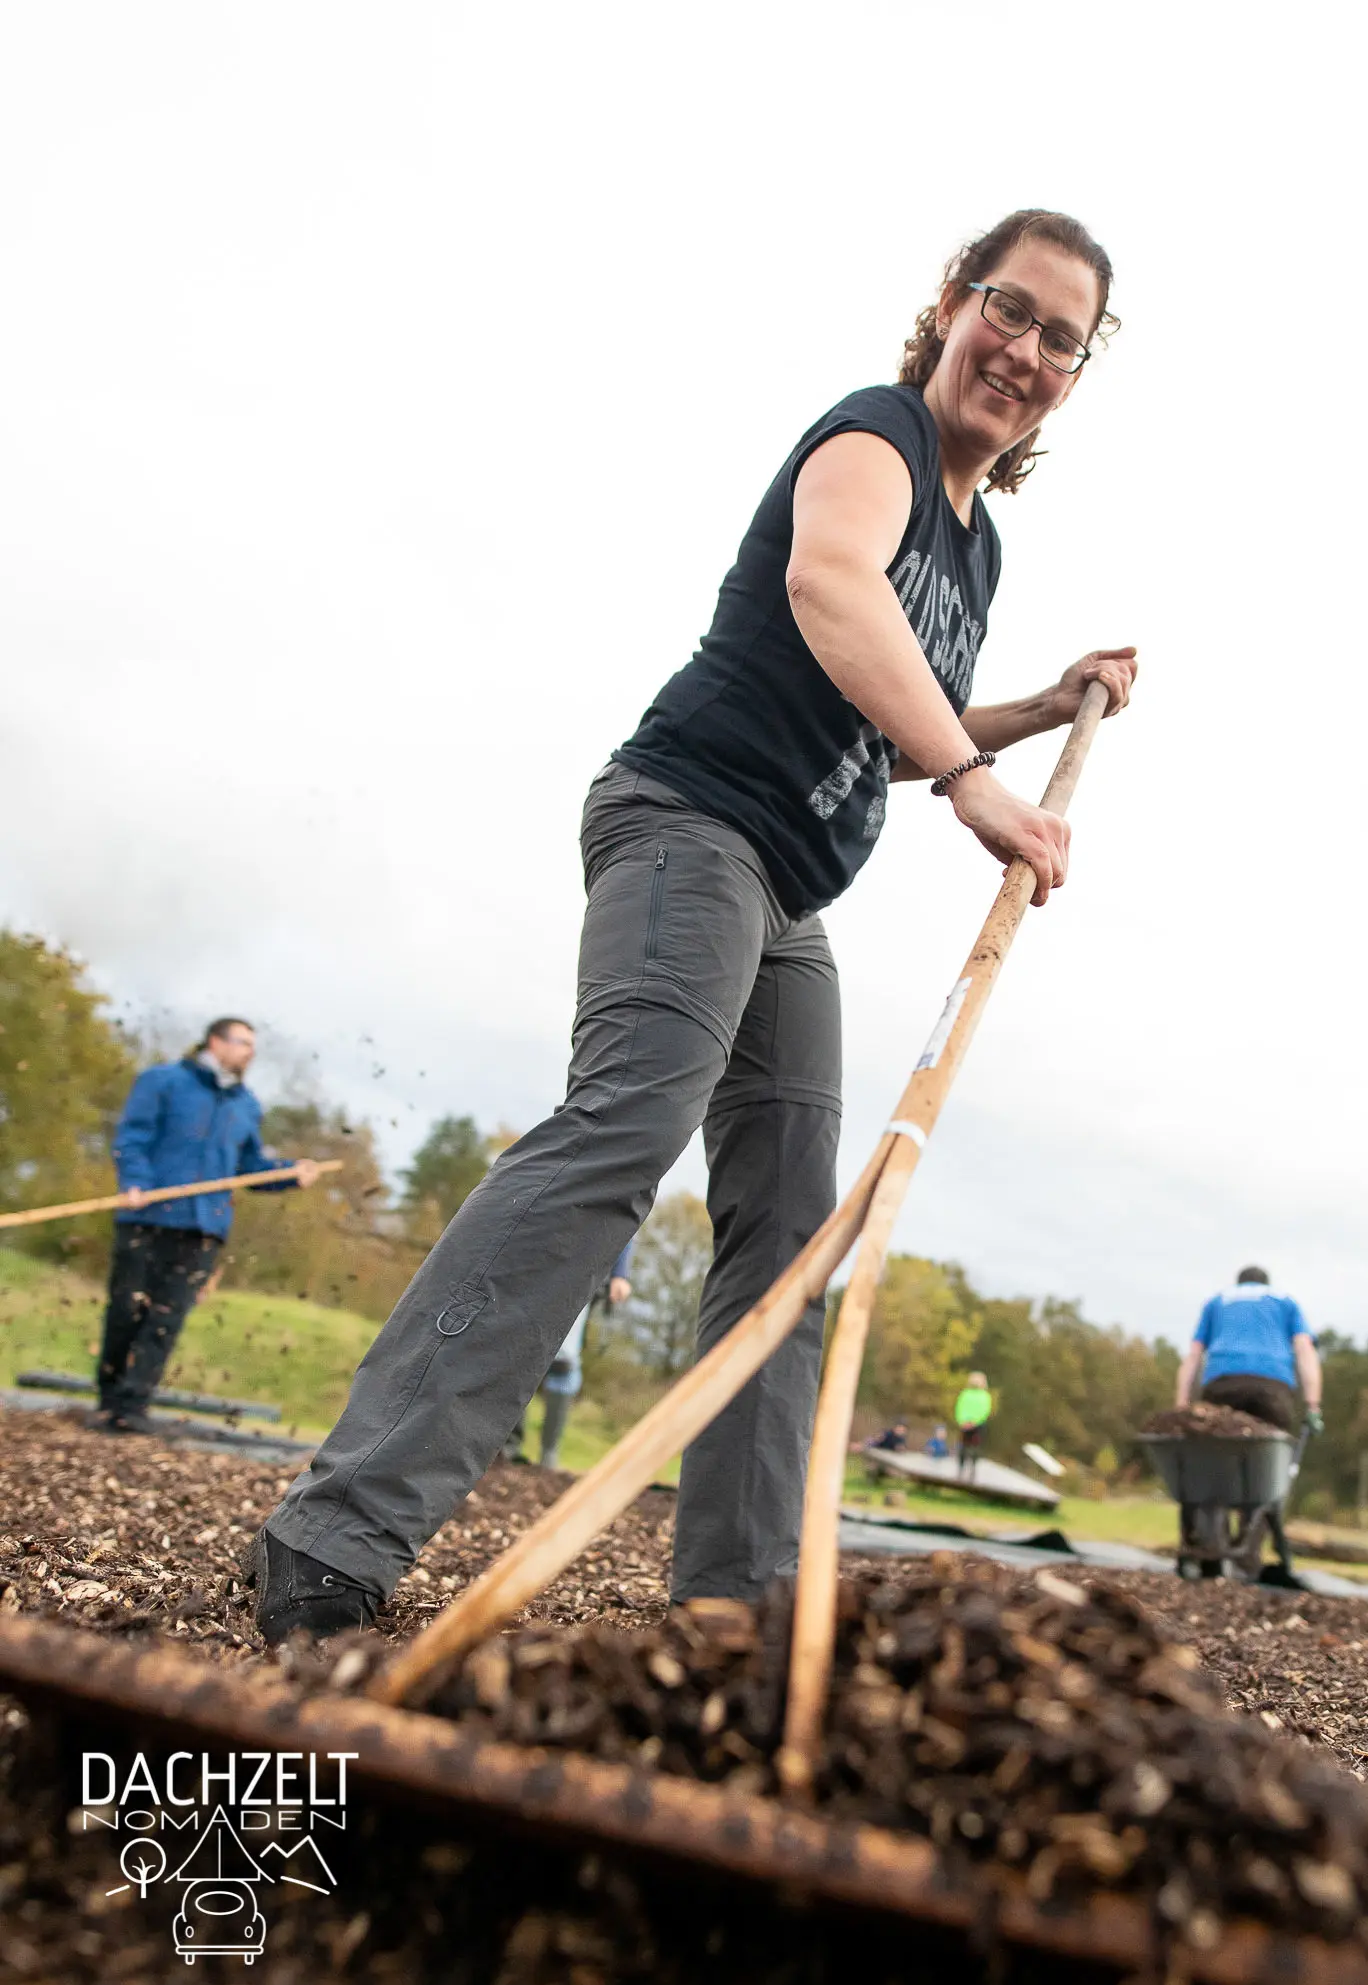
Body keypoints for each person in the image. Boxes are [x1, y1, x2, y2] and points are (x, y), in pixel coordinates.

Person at [253, 206, 1136, 1645]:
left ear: (1075, 376)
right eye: (1008, 307)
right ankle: (336, 1528)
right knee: (622, 1128)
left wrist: (1033, 711)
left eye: (1060, 336)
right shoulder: (871, 441)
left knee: (792, 1220)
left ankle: (736, 1594)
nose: (1024, 348)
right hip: (688, 819)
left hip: (787, 889)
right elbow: (829, 590)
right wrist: (985, 788)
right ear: (952, 303)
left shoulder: (976, 557)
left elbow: (894, 723)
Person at [97, 1019, 322, 1433]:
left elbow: (249, 1168)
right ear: (215, 1042)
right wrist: (135, 1182)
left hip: (204, 1228)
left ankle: (132, 1409)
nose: (249, 1052)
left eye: (254, 1046)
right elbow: (133, 1137)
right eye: (243, 1043)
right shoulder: (162, 1081)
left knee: (166, 1319)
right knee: (128, 1310)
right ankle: (109, 1400)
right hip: (149, 1216)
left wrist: (291, 1173)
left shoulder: (245, 1105)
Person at [504, 1240, 634, 1466]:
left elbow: (627, 1215)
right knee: (519, 1350)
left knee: (564, 1358)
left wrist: (620, 1273)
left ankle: (548, 1455)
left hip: (584, 1269)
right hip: (541, 1260)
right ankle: (507, 1446)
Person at [1176, 1266, 1323, 1434]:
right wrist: (1313, 1405)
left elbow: (1194, 1355)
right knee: (1270, 1441)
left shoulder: (1216, 1302)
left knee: (1218, 1442)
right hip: (1272, 1387)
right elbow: (1304, 1349)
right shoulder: (1286, 1302)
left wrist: (1181, 1404)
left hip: (1222, 1386)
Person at [954, 1372, 994, 1477]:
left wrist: (972, 1422)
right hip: (969, 1424)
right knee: (964, 1447)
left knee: (973, 1447)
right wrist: (964, 1421)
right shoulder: (966, 1394)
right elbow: (960, 1408)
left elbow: (984, 1411)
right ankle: (961, 1468)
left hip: (976, 1425)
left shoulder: (984, 1396)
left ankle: (972, 1469)